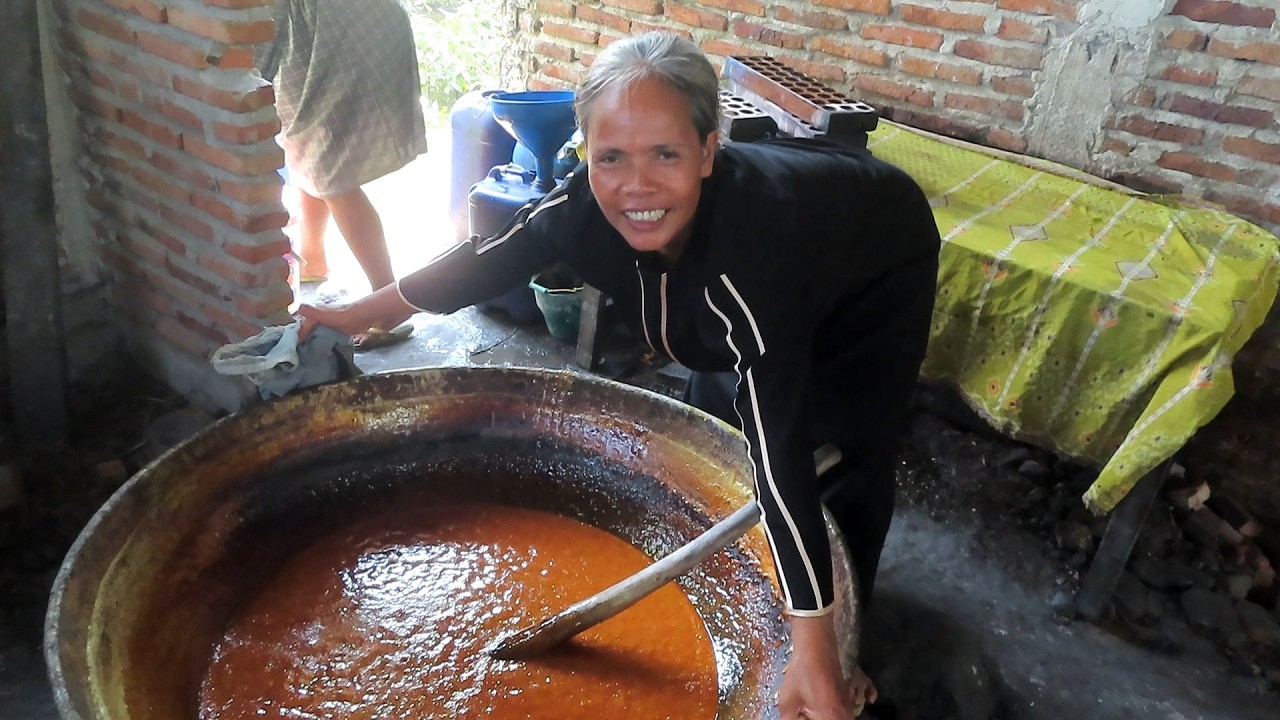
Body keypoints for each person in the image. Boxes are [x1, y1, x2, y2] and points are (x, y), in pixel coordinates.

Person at [299, 31, 940, 720]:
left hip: (878, 256)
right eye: (612, 157)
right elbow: (485, 259)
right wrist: (360, 311)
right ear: (587, 155)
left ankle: (844, 645)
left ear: (706, 152)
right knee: (722, 414)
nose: (636, 185)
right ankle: (751, 564)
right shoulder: (584, 207)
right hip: (781, 242)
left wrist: (816, 648)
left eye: (665, 153)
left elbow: (781, 448)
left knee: (837, 449)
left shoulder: (752, 266)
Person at [258, 0, 427, 348]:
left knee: (331, 171)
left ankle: (388, 302)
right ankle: (314, 257)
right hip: (332, 27)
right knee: (304, 140)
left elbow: (259, 47)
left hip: (347, 31)